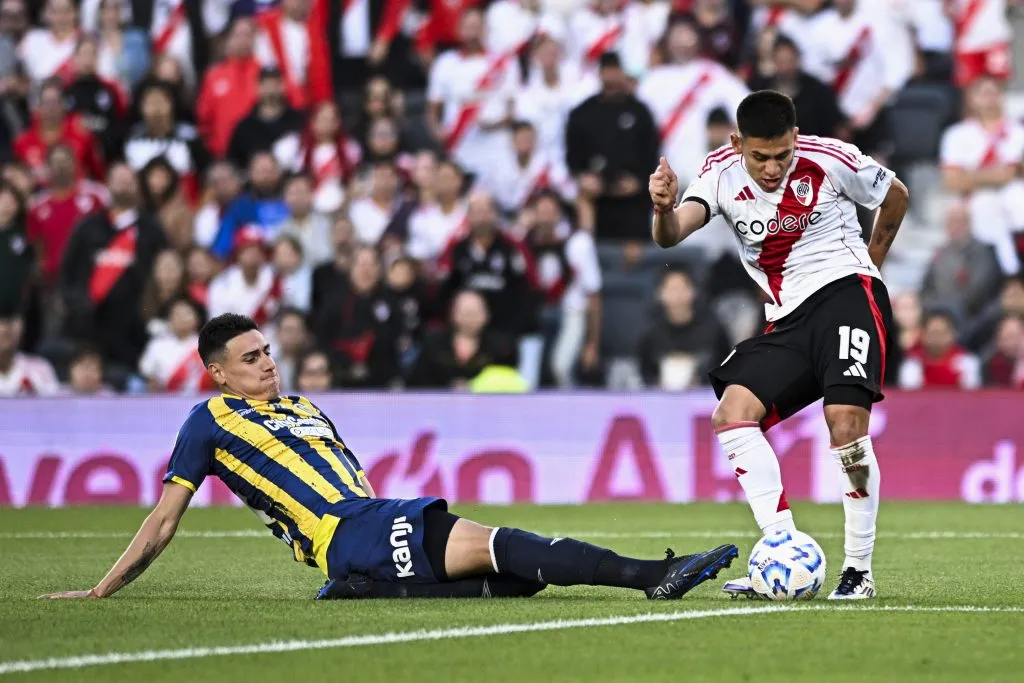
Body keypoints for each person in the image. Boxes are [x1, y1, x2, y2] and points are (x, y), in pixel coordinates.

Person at [40, 313, 738, 601]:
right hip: (345, 530)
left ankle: (367, 583)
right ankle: (654, 574)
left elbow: (349, 473)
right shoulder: (209, 421)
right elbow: (165, 517)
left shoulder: (303, 408)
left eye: (268, 351)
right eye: (250, 359)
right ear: (218, 372)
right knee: (505, 545)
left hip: (368, 518)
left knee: (516, 577)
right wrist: (102, 590)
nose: (267, 364)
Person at [648, 90, 909, 600]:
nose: (772, 169)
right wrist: (661, 208)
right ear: (737, 142)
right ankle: (781, 550)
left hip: (844, 293)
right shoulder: (719, 173)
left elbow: (895, 193)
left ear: (795, 139)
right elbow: (672, 234)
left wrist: (871, 265)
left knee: (846, 424)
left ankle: (858, 570)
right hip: (786, 320)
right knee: (732, 413)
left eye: (782, 156)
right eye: (760, 157)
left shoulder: (831, 157)